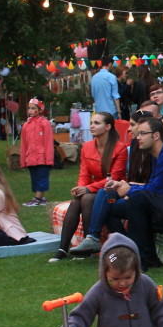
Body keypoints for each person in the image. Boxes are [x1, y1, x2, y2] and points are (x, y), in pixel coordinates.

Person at [74, 118, 163, 273]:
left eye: (143, 133)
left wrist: (129, 190)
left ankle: (139, 261)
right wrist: (126, 186)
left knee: (137, 200)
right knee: (109, 205)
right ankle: (126, 248)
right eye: (138, 133)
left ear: (156, 135)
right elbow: (154, 185)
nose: (138, 137)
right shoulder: (156, 154)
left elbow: (157, 188)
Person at [50, 112, 128, 263]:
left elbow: (115, 177)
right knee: (76, 201)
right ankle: (63, 248)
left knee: (86, 198)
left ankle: (87, 245)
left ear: (108, 127)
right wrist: (80, 187)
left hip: (113, 189)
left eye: (97, 123)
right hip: (95, 188)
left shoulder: (120, 148)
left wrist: (87, 189)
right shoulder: (87, 147)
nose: (92, 126)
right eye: (91, 122)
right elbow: (84, 173)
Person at [20, 98, 54, 206]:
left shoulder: (45, 124)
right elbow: (24, 144)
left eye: (33, 108)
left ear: (39, 110)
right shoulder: (26, 125)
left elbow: (48, 142)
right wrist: (23, 160)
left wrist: (49, 158)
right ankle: (40, 197)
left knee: (41, 176)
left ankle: (37, 198)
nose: (30, 110)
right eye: (29, 108)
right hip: (31, 157)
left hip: (42, 157)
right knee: (34, 177)